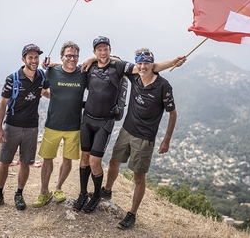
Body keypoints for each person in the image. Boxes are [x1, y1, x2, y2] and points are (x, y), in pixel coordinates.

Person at [73, 36, 185, 214]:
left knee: (110, 167)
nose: (103, 52)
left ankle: (111, 203)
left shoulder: (152, 81)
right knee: (96, 160)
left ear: (110, 50)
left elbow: (148, 68)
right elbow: (70, 67)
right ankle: (91, 192)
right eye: (99, 50)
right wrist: (89, 59)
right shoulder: (99, 69)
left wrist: (172, 62)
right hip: (102, 123)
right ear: (94, 52)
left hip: (123, 128)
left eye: (106, 49)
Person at [102, 48, 180, 229]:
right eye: (140, 63)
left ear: (153, 64)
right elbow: (113, 60)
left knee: (139, 177)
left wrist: (167, 139)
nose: (143, 66)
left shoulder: (163, 86)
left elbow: (173, 114)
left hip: (145, 137)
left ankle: (132, 214)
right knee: (114, 162)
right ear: (136, 64)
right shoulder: (134, 77)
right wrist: (92, 59)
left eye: (147, 63)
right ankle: (106, 191)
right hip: (127, 130)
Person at [0, 44, 46, 211]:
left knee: (25, 163)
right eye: (30, 57)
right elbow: (2, 103)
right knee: (4, 162)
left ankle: (19, 194)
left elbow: (45, 91)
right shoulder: (13, 78)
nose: (34, 60)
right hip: (12, 126)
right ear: (23, 59)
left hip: (32, 127)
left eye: (36, 57)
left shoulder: (41, 76)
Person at [32, 41, 87, 207]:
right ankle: (43, 191)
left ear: (78, 58)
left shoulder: (83, 72)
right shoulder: (51, 72)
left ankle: (58, 188)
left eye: (74, 56)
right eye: (68, 55)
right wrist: (54, 96)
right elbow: (42, 89)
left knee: (68, 160)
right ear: (62, 57)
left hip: (74, 126)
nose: (71, 58)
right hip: (53, 124)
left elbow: (105, 61)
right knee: (47, 159)